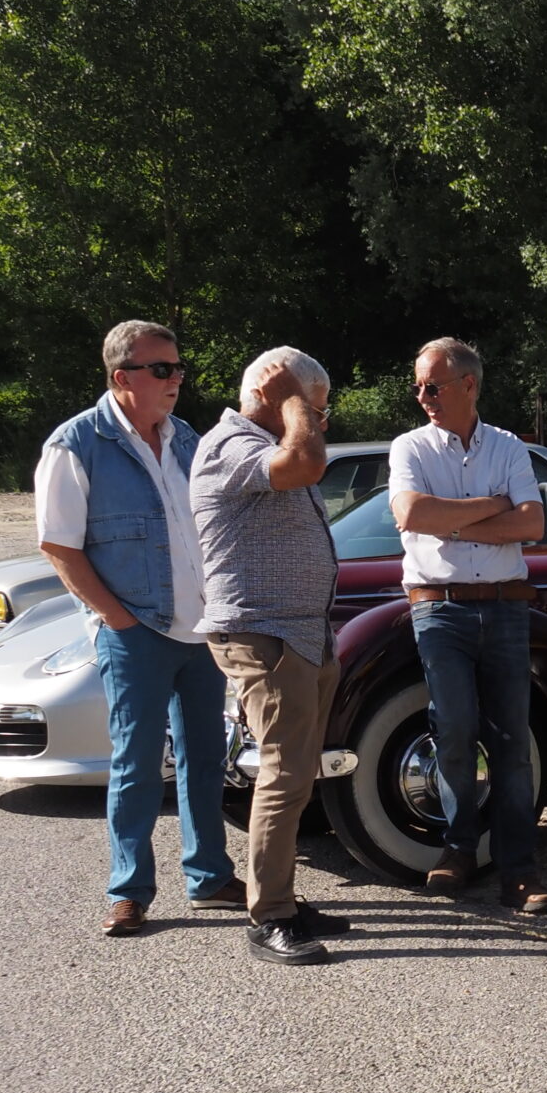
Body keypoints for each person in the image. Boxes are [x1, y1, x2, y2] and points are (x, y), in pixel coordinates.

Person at [35, 320, 241, 937]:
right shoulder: (76, 444)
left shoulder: (186, 439)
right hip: (134, 632)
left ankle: (209, 877)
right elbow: (59, 547)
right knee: (136, 764)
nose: (177, 379)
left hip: (200, 629)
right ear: (123, 377)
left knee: (206, 759)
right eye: (162, 369)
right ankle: (129, 891)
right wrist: (117, 620)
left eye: (178, 368)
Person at [192, 348, 350, 966]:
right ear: (276, 396)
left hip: (297, 635)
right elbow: (306, 462)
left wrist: (295, 407)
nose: (320, 422)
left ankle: (278, 896)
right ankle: (270, 917)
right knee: (284, 776)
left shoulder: (260, 446)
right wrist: (294, 403)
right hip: (264, 634)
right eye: (318, 409)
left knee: (297, 774)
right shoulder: (231, 445)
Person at [387, 338, 547, 915]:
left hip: (505, 605)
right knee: (454, 729)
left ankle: (520, 872)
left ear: (468, 385)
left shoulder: (507, 445)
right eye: (417, 386)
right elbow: (412, 513)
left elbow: (531, 523)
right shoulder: (409, 447)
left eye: (432, 386)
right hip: (438, 607)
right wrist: (493, 505)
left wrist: (451, 523)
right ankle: (458, 849)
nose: (422, 397)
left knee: (512, 742)